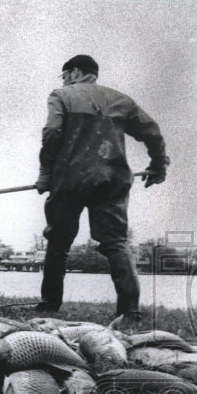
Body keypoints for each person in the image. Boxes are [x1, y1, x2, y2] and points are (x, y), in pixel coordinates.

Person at [34, 54, 169, 328]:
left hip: (68, 179)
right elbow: (152, 132)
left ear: (73, 72)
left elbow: (51, 132)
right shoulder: (121, 100)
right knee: (115, 242)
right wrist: (158, 165)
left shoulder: (62, 95)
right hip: (111, 180)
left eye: (65, 75)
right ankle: (130, 312)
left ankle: (50, 304)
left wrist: (45, 173)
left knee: (58, 243)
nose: (64, 80)